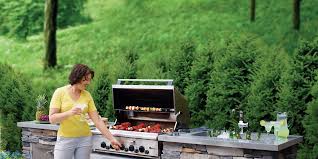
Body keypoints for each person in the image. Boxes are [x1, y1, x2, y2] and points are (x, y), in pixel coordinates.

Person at [49, 64, 121, 159]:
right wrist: (70, 113)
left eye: (90, 79)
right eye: (85, 80)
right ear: (76, 77)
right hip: (65, 139)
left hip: (84, 139)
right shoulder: (60, 92)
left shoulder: (87, 95)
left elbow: (97, 121)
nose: (88, 82)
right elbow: (52, 118)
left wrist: (112, 139)